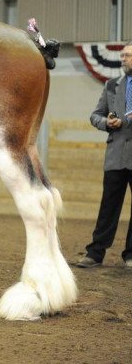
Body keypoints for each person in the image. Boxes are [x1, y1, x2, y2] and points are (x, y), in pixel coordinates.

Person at [76, 42, 132, 269]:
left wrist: (126, 120)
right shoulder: (111, 85)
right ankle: (95, 252)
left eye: (128, 55)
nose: (123, 58)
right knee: (108, 206)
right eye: (123, 55)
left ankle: (130, 255)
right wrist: (106, 123)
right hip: (116, 155)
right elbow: (95, 115)